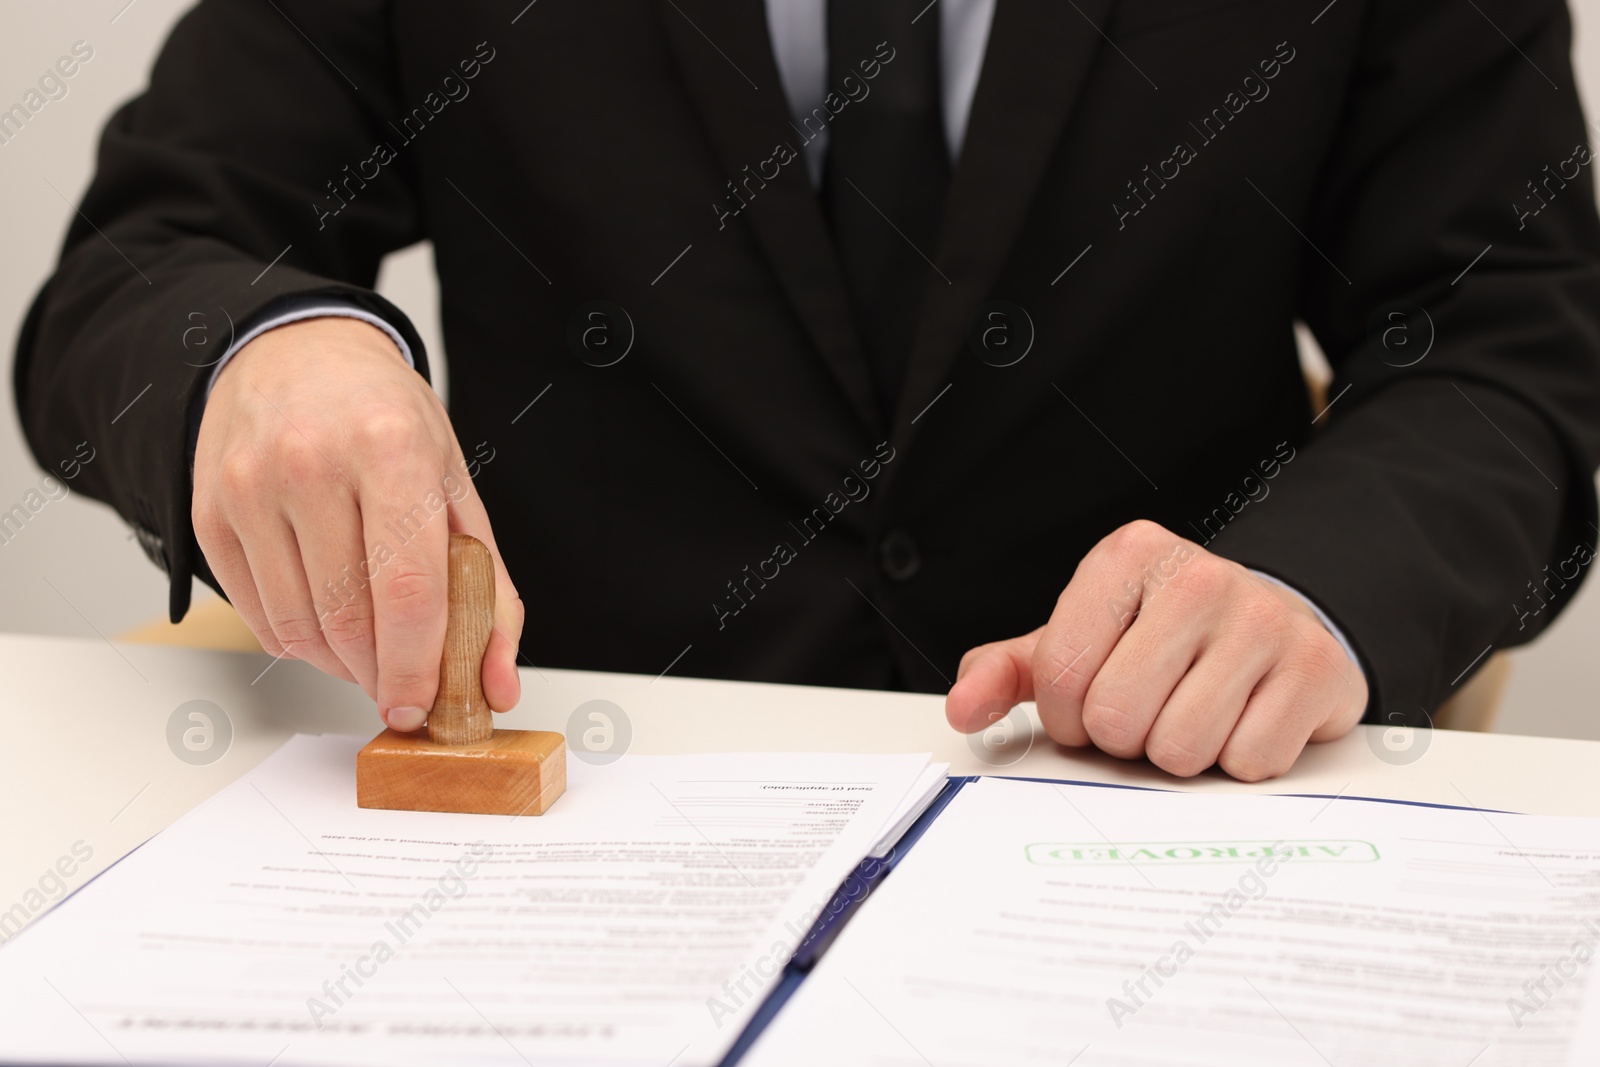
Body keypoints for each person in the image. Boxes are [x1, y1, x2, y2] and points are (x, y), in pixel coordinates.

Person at [16, 0, 1600, 781]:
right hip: (566, 815)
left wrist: (1321, 587)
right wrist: (256, 354)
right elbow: (149, 256)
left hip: (1147, 817)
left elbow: (1508, 333)